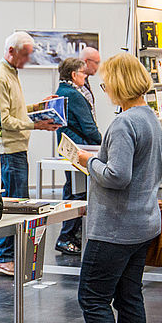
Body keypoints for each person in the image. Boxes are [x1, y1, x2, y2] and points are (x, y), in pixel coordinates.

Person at [70, 53, 162, 323]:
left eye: (107, 81)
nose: (104, 86)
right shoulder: (149, 117)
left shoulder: (124, 123)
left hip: (114, 228)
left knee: (92, 298)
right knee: (129, 298)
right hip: (141, 224)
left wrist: (89, 161)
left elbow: (117, 176)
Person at [0, 31, 61, 276]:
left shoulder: (10, 73)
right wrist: (36, 124)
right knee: (12, 206)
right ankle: (3, 257)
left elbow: (15, 111)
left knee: (19, 204)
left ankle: (8, 256)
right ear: (11, 51)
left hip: (17, 149)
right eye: (26, 54)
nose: (28, 60)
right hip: (8, 151)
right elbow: (2, 120)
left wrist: (39, 106)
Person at [54, 57, 102, 256]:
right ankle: (67, 237)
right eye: (83, 73)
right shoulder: (74, 95)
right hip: (80, 148)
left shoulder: (61, 91)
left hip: (68, 148)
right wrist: (103, 143)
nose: (86, 76)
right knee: (78, 193)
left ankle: (70, 236)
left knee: (72, 190)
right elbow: (88, 127)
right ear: (74, 75)